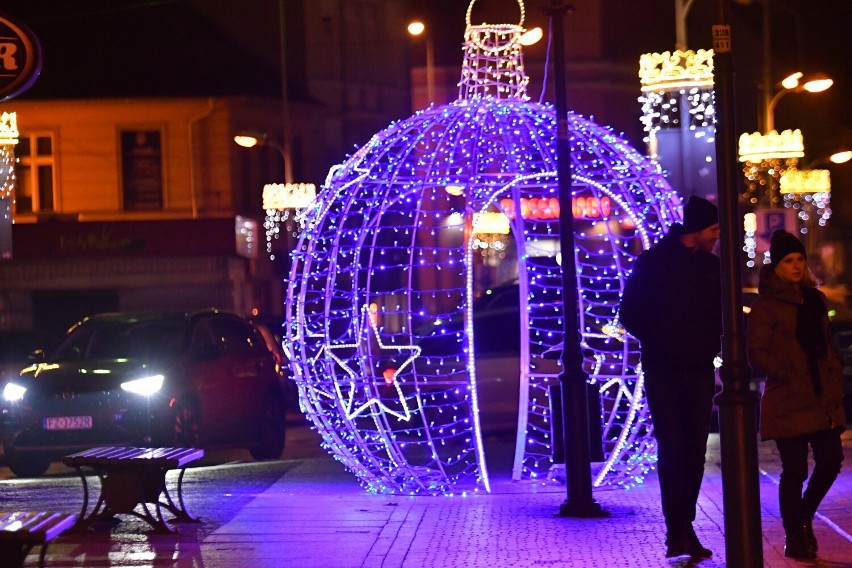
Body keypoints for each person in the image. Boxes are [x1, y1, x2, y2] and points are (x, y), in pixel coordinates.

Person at [619, 195, 722, 559]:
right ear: (696, 230)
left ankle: (683, 527)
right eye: (713, 229)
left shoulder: (711, 267)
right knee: (674, 449)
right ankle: (677, 529)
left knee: (693, 452)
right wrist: (662, 339)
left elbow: (720, 316)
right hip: (663, 369)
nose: (717, 236)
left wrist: (709, 346)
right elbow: (629, 313)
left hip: (697, 369)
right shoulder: (654, 263)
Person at [746, 230, 846, 560]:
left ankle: (803, 516)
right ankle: (795, 535)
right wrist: (788, 370)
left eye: (800, 260)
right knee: (795, 470)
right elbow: (757, 352)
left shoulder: (814, 299)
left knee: (831, 461)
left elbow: (825, 342)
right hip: (788, 397)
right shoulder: (767, 305)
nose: (796, 266)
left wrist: (833, 364)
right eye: (788, 260)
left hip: (820, 394)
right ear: (775, 266)